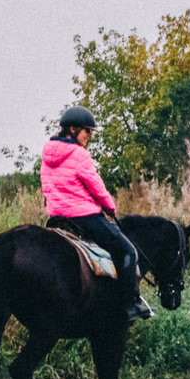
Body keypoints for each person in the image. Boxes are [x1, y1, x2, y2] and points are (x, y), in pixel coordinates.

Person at [40, 107, 151, 321]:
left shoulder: (47, 154)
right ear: (72, 129)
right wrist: (110, 207)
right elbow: (95, 185)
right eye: (87, 131)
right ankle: (131, 305)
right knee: (127, 250)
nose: (89, 136)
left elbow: (48, 186)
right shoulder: (79, 154)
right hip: (84, 217)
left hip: (58, 218)